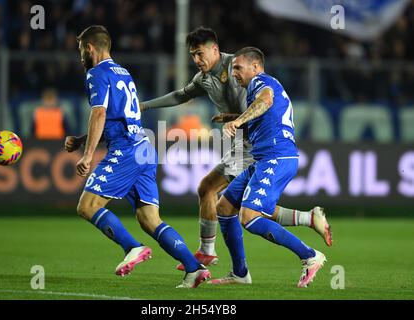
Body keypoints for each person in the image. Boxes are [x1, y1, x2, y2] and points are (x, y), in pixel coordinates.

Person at [140, 27, 332, 273]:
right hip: (240, 142)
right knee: (222, 196)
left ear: (215, 49)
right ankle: (217, 255)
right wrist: (145, 106)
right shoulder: (203, 78)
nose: (196, 60)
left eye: (200, 54)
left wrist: (238, 119)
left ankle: (218, 255)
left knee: (236, 203)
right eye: (192, 56)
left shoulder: (238, 66)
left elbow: (264, 100)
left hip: (255, 144)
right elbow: (180, 95)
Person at [65, 25, 211, 288]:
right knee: (149, 219)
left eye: (80, 50)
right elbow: (118, 116)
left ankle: (132, 247)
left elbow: (99, 113)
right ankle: (193, 268)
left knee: (87, 206)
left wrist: (87, 155)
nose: (80, 56)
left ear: (89, 48)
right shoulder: (123, 72)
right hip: (144, 146)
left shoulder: (95, 73)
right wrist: (82, 139)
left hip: (126, 150)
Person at [210, 47, 326, 287]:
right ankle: (239, 273)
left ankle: (310, 256)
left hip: (276, 157)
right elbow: (265, 111)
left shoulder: (261, 82)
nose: (234, 74)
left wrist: (238, 120)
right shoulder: (258, 87)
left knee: (250, 216)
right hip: (265, 159)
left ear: (255, 66)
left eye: (238, 68)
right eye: (233, 70)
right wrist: (234, 116)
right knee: (224, 206)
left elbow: (266, 100)